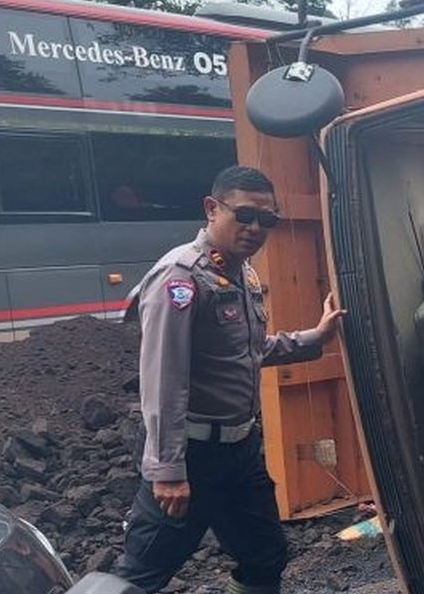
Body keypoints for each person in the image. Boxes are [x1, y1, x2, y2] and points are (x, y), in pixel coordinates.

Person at [113, 165, 345, 594]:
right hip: (192, 456)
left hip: (239, 453)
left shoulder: (242, 274)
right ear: (211, 209)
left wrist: (315, 338)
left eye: (267, 219)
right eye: (244, 215)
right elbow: (163, 378)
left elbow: (248, 353)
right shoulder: (180, 278)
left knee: (266, 556)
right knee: (140, 575)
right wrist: (167, 470)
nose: (256, 228)